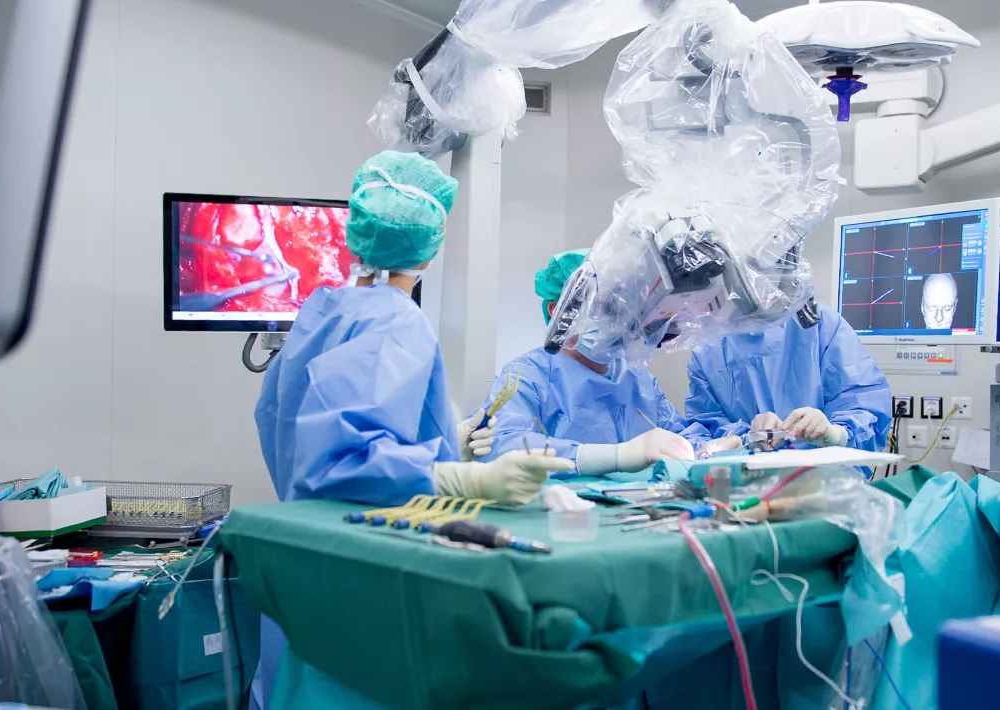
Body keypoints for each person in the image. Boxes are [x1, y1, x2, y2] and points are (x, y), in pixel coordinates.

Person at [250, 151, 572, 709]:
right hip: (366, 582)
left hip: (311, 565)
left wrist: (445, 437)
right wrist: (466, 479)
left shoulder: (321, 310)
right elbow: (343, 462)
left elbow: (284, 426)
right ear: (430, 247)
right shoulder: (395, 319)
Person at [480, 249, 720, 475]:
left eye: (619, 305)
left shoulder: (636, 380)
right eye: (597, 305)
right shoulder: (529, 376)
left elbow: (681, 435)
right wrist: (615, 456)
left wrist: (712, 447)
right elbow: (499, 445)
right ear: (557, 310)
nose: (613, 319)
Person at [687, 311, 893, 452]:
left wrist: (834, 433)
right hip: (745, 489)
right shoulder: (709, 349)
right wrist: (746, 439)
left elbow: (864, 403)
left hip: (827, 485)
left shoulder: (820, 325)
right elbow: (706, 431)